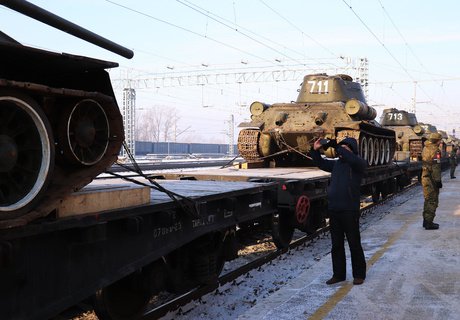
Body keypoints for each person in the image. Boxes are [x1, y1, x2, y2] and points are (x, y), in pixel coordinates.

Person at [310, 137, 367, 285]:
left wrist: (337, 146)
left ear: (352, 150)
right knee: (336, 245)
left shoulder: (358, 164)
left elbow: (351, 159)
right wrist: (315, 150)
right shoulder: (336, 165)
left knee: (354, 244)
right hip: (334, 210)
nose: (341, 150)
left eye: (345, 148)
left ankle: (359, 275)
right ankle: (339, 275)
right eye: (340, 148)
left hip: (349, 210)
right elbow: (320, 163)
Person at [421, 133, 443, 230]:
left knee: (427, 199)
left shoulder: (425, 148)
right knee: (433, 200)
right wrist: (438, 181)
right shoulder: (435, 150)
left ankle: (426, 221)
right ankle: (429, 223)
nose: (441, 142)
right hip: (431, 178)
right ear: (436, 141)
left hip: (425, 176)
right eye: (440, 140)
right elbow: (436, 167)